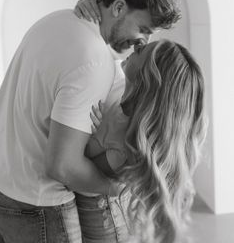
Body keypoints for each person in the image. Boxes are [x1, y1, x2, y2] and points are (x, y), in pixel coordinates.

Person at [0, 0, 180, 243]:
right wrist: (114, 189)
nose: (143, 42)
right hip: (41, 203)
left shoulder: (56, 20)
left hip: (6, 186)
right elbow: (63, 166)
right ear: (118, 7)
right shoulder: (93, 60)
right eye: (143, 28)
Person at [77, 39, 207, 243]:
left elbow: (80, 169)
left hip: (101, 215)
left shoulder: (125, 140)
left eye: (143, 50)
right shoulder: (125, 87)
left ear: (150, 78)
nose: (137, 45)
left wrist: (84, 132)